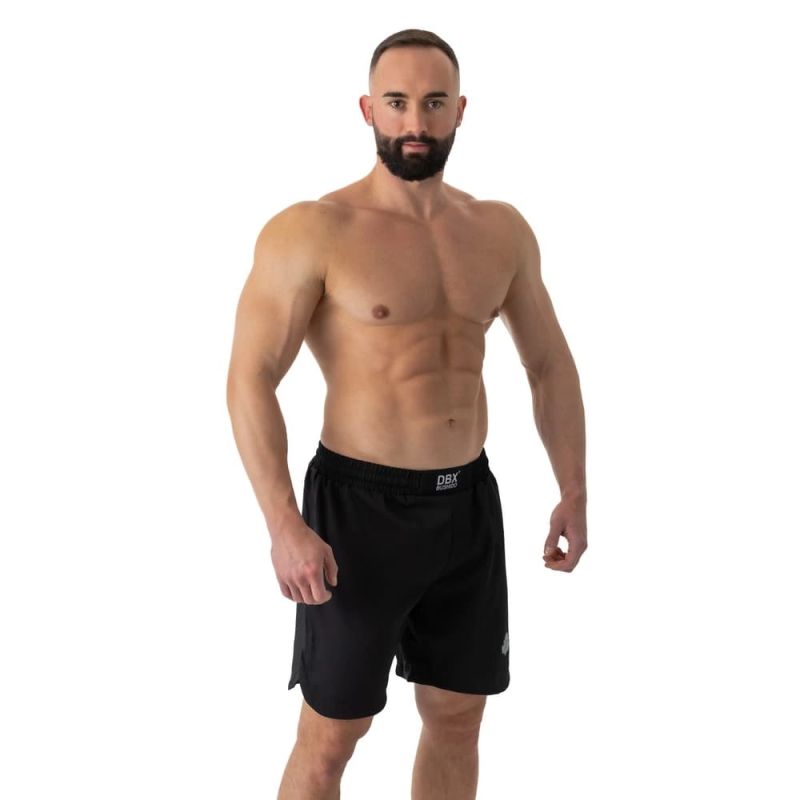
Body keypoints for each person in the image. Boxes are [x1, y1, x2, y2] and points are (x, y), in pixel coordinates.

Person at [226, 27, 587, 800]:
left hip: (467, 505)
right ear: (368, 110)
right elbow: (249, 378)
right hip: (357, 513)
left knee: (457, 719)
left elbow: (549, 365)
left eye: (432, 103)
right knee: (333, 734)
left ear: (460, 110)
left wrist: (574, 488)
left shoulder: (500, 230)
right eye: (396, 103)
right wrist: (284, 525)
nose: (415, 122)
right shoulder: (314, 229)